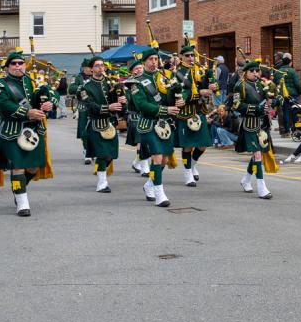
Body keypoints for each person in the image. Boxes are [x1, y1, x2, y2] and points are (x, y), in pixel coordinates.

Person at [0, 51, 54, 217]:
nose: (17, 66)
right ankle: (22, 202)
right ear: (7, 67)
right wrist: (28, 113)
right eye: (13, 64)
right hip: (11, 130)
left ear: (25, 65)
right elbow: (4, 105)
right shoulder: (0, 84)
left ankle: (18, 188)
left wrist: (47, 104)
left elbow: (41, 101)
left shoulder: (30, 81)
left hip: (32, 129)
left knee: (33, 167)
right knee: (18, 166)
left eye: (20, 63)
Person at [127, 47, 181, 207]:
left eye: (156, 59)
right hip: (149, 123)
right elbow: (142, 105)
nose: (154, 62)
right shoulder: (137, 83)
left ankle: (149, 185)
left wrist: (178, 99)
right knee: (157, 157)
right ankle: (160, 194)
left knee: (164, 159)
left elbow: (169, 99)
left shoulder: (164, 78)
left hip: (165, 124)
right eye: (151, 59)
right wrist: (165, 109)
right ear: (144, 62)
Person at [79, 57, 125, 193]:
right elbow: (90, 106)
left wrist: (121, 99)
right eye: (97, 65)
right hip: (96, 124)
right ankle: (102, 183)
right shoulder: (86, 87)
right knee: (102, 154)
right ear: (91, 69)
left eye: (102, 65)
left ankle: (101, 171)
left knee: (111, 154)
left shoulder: (110, 84)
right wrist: (108, 108)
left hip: (110, 123)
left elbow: (116, 102)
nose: (100, 67)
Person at [175, 44, 215, 186]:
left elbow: (207, 85)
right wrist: (200, 93)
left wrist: (211, 87)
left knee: (203, 144)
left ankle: (192, 164)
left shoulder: (201, 70)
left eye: (192, 55)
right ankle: (187, 174)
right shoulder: (178, 73)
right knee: (187, 146)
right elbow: (181, 94)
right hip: (186, 113)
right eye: (187, 56)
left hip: (200, 111)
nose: (191, 58)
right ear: (182, 57)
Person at [234, 59, 275, 199]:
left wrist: (272, 99)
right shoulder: (240, 86)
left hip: (262, 123)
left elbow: (266, 102)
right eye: (252, 71)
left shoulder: (261, 84)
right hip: (249, 124)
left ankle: (245, 179)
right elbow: (236, 105)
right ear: (245, 72)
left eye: (257, 70)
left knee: (259, 154)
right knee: (257, 154)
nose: (255, 73)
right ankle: (261, 186)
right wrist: (255, 108)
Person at [70, 58, 95, 166]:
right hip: (83, 107)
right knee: (84, 131)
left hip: (95, 107)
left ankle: (95, 150)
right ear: (84, 68)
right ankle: (87, 152)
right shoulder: (78, 77)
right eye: (89, 67)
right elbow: (71, 89)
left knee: (96, 130)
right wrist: (83, 87)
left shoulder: (98, 76)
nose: (91, 69)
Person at [273, 53, 301, 136]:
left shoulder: (277, 72)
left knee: (285, 112)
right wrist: (300, 92)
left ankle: (287, 131)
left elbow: (274, 84)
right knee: (295, 111)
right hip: (293, 95)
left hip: (282, 95)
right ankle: (296, 130)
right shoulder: (293, 71)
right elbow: (297, 84)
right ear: (290, 62)